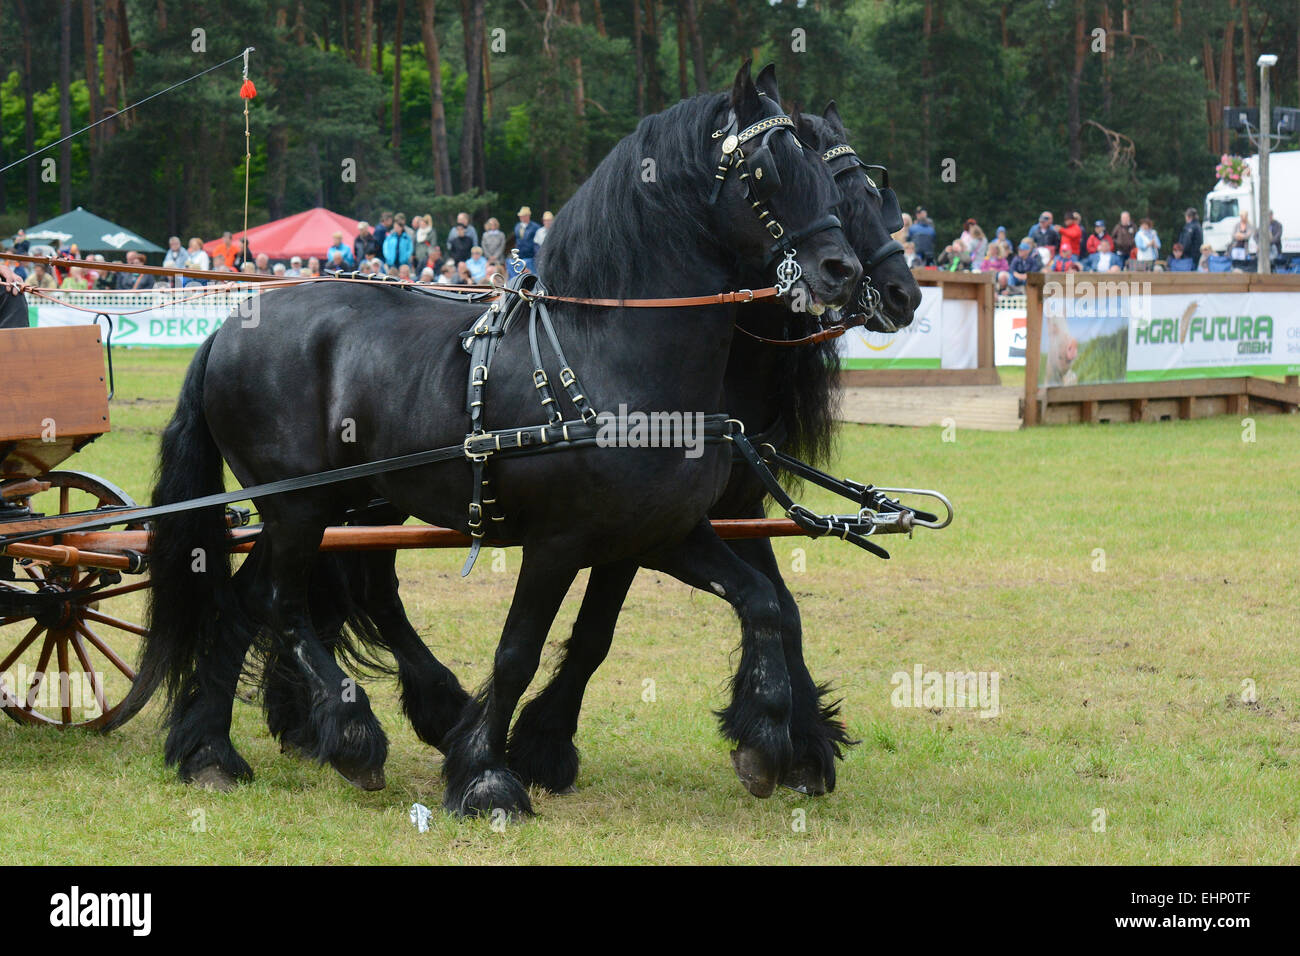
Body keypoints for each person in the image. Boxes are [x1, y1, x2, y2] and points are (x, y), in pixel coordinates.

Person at [512, 206, 541, 275]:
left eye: (524, 216)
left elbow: (536, 242)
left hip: (531, 256)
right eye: (521, 216)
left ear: (528, 216)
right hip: (520, 255)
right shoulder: (517, 226)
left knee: (531, 274)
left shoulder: (535, 227)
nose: (522, 218)